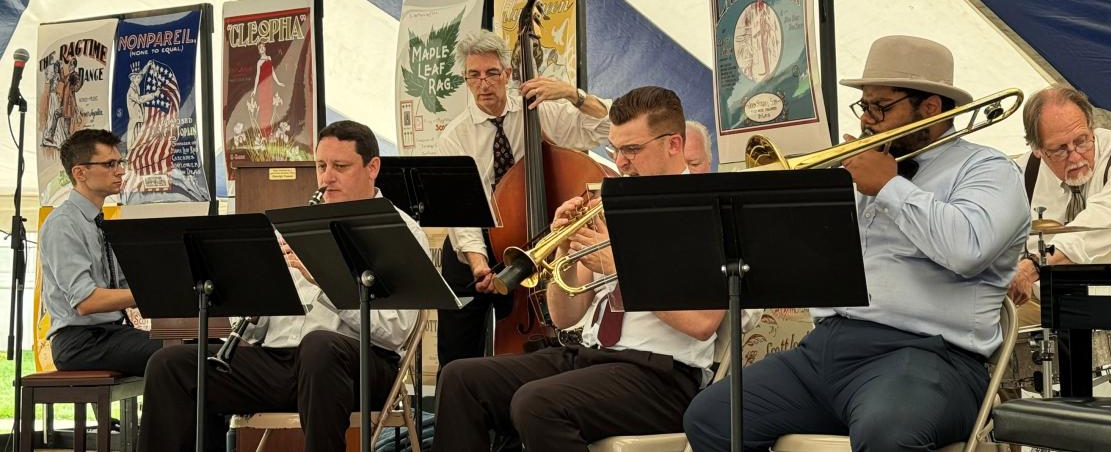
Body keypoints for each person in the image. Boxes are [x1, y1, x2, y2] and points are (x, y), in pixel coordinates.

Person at [684, 35, 1030, 452]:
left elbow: (968, 250)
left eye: (880, 107)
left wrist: (888, 186)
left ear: (931, 107)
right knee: (710, 417)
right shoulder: (858, 169)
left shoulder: (988, 169)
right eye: (864, 105)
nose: (867, 119)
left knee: (888, 435)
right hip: (825, 349)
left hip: (928, 356)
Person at [434, 86, 730, 451]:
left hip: (661, 375)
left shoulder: (707, 213)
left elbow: (701, 325)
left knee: (536, 404)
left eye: (632, 150)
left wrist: (622, 268)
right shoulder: (612, 203)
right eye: (616, 150)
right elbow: (564, 316)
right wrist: (563, 247)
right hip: (590, 357)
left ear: (674, 144)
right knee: (461, 378)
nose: (620, 163)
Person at [138, 120, 429, 452]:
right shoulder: (295, 225)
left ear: (372, 167)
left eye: (340, 166)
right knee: (170, 366)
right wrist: (255, 291)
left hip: (360, 365)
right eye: (321, 166)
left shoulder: (399, 231)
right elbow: (252, 334)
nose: (327, 177)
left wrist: (324, 279)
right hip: (280, 364)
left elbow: (394, 333)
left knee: (319, 346)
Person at [435, 29, 610, 366]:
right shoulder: (455, 137)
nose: (484, 84)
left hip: (531, 237)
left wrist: (573, 95)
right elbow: (462, 209)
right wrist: (478, 261)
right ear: (465, 79)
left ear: (508, 74)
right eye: (474, 75)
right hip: (474, 239)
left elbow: (604, 129)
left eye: (491, 73)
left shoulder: (537, 109)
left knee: (522, 340)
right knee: (457, 350)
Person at [1008, 85, 1111, 327]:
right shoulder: (1020, 174)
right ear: (1037, 151)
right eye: (1060, 149)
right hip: (1044, 303)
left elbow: (1095, 227)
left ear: (1091, 127)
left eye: (1082, 141)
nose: (1075, 157)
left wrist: (1034, 266)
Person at [39, 129, 160, 375]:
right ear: (80, 172)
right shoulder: (64, 224)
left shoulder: (97, 222)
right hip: (79, 342)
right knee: (183, 356)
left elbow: (123, 283)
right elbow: (86, 301)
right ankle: (168, 414)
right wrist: (152, 292)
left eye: (120, 162)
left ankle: (182, 414)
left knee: (203, 348)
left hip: (108, 334)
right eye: (109, 164)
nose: (121, 170)